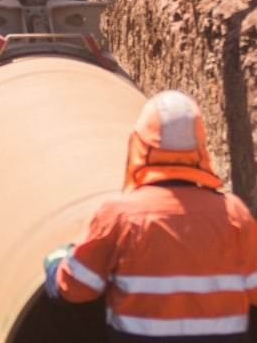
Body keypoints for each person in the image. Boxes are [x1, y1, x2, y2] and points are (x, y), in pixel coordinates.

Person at [44, 90, 257, 341]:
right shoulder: (234, 215)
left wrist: (56, 264)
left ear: (139, 146)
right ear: (200, 150)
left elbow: (77, 288)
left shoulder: (119, 216)